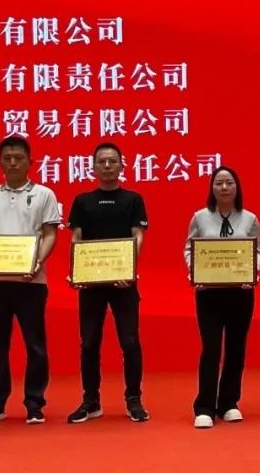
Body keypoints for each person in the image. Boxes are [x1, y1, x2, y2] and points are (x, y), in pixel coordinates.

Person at [0, 136, 60, 426]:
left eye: (18, 158)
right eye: (7, 158)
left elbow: (50, 234)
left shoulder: (44, 194)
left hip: (31, 281)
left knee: (35, 344)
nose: (12, 163)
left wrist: (37, 262)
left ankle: (34, 403)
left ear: (30, 162)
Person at [65, 143, 150, 424]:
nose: (107, 166)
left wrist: (129, 268)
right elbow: (76, 238)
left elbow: (138, 235)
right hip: (91, 283)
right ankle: (91, 401)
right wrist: (77, 271)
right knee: (89, 343)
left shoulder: (133, 199)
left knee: (130, 341)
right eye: (101, 161)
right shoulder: (82, 201)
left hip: (124, 281)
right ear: (93, 167)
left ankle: (134, 399)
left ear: (122, 165)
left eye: (112, 161)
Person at [184, 166, 260, 428]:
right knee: (211, 349)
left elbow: (258, 252)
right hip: (208, 293)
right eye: (219, 183)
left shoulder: (250, 218)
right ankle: (204, 406)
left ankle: (229, 403)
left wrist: (253, 272)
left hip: (241, 292)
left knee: (236, 348)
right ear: (212, 188)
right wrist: (194, 271)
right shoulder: (200, 217)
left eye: (229, 182)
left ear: (237, 187)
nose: (224, 187)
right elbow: (189, 248)